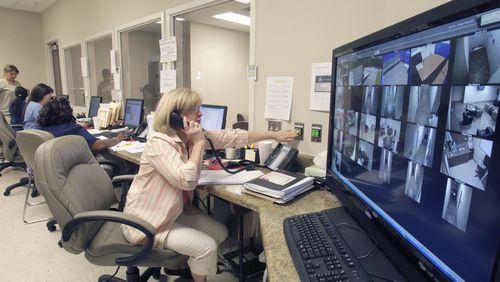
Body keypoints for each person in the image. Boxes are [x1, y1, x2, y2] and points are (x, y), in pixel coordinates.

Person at [122, 88, 297, 282]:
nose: (200, 113)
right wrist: (198, 144)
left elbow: (232, 137)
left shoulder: (190, 136)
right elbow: (187, 180)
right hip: (147, 222)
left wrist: (274, 135)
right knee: (206, 247)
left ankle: (182, 265)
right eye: (193, 109)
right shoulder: (159, 142)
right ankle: (193, 270)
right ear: (175, 117)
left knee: (220, 232)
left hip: (173, 214)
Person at [37, 96, 127, 153]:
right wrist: (117, 139)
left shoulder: (42, 130)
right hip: (73, 170)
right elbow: (97, 145)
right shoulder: (73, 129)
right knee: (120, 161)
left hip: (54, 171)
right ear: (67, 111)